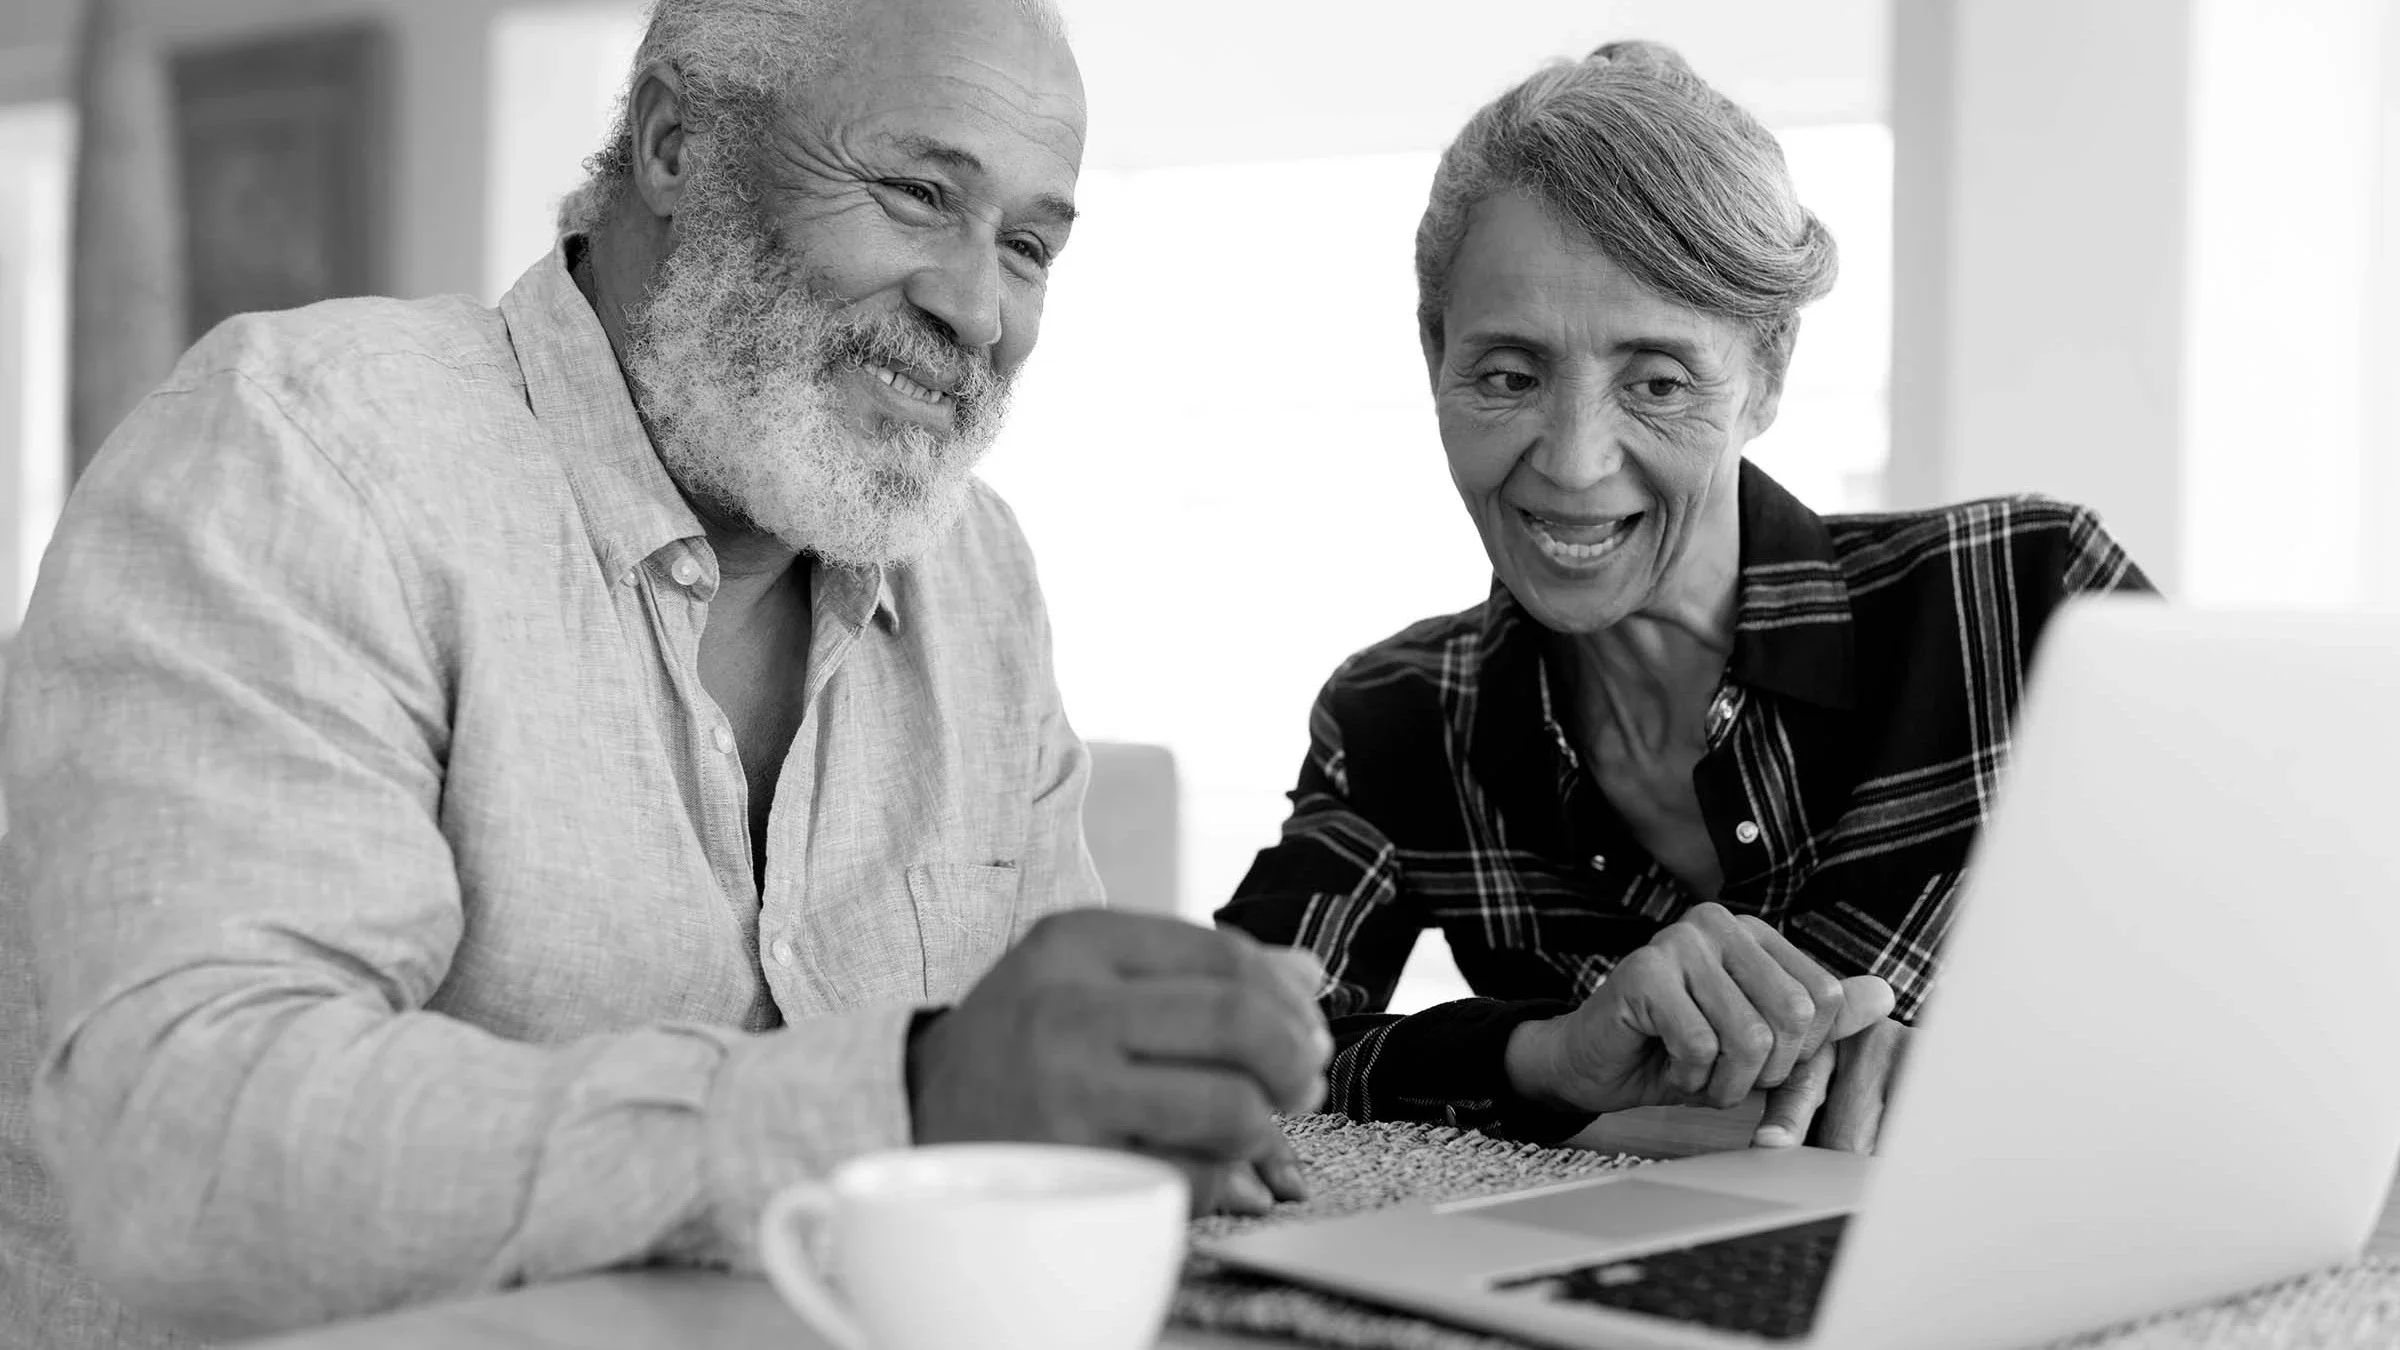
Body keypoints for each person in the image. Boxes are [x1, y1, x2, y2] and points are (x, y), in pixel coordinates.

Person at [0, 1, 1336, 1345]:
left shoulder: (978, 577)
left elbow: (1025, 1102)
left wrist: (1134, 1107)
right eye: (920, 191)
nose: (977, 307)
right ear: (675, 144)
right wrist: (906, 1092)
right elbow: (194, 1151)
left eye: (1030, 245)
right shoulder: (306, 453)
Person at [1218, 41, 2153, 1152]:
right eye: (1508, 376)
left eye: (1656, 382)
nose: (1571, 463)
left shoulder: (2027, 599)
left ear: (1766, 374)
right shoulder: (1401, 716)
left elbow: (2285, 962)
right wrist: (1553, 1055)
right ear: (1435, 358)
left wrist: (1997, 1070)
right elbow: (1241, 1052)